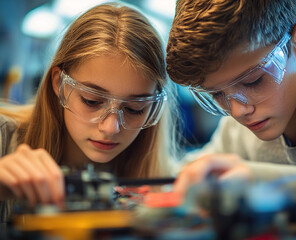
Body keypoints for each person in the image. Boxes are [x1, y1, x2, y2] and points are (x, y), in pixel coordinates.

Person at [0, 3, 179, 223]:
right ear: (59, 84)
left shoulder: (161, 181)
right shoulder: (3, 139)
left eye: (134, 109)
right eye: (92, 101)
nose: (110, 127)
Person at [166, 0, 296, 195]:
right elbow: (177, 178)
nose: (238, 111)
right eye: (216, 94)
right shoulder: (238, 135)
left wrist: (260, 178)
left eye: (253, 81)